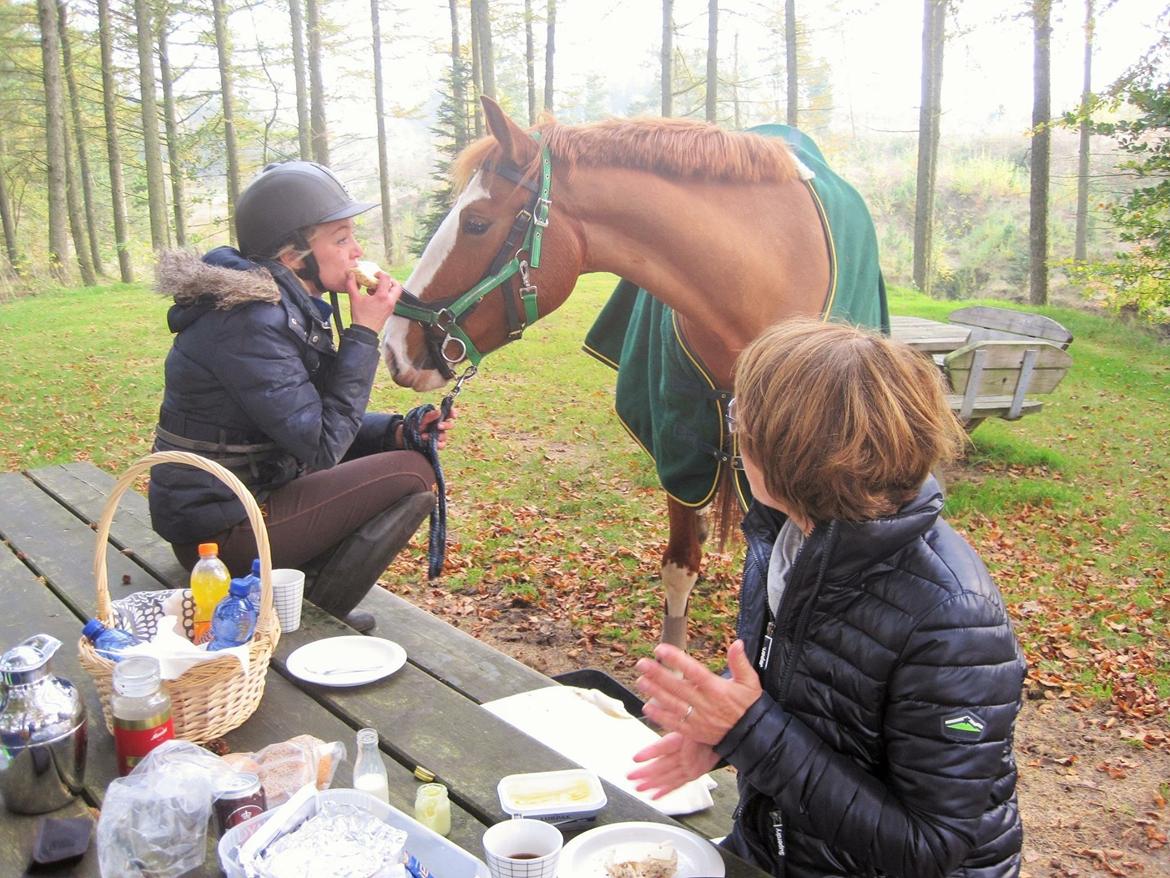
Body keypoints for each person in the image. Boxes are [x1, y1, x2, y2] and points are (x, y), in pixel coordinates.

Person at [629, 318, 1026, 877]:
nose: (735, 431)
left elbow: (931, 848)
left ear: (791, 454)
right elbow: (800, 679)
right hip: (779, 851)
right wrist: (722, 737)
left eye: (743, 417)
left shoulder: (953, 620)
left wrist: (748, 732)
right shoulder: (789, 532)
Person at [149, 160, 454, 633]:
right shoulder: (249, 321)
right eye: (340, 239)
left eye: (353, 235)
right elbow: (322, 445)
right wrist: (363, 332)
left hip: (244, 501)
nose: (357, 251)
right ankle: (314, 616)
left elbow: (311, 414)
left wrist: (397, 428)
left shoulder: (277, 305)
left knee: (404, 446)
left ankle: (300, 588)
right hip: (218, 535)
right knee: (412, 473)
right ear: (294, 256)